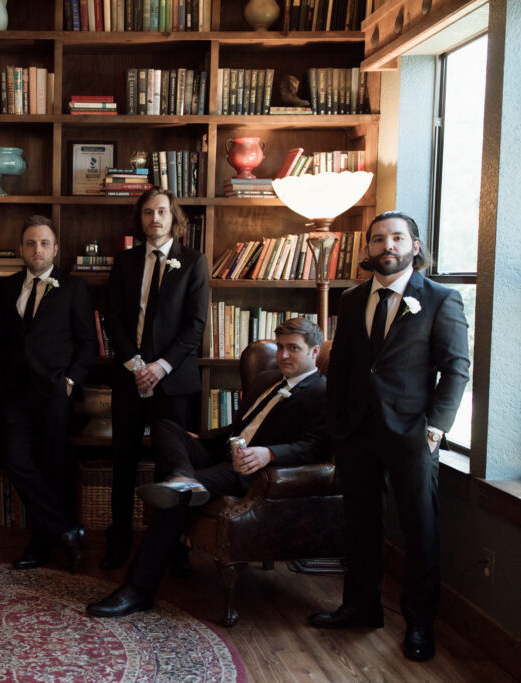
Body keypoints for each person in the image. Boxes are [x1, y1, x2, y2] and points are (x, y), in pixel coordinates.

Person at [309, 211, 470, 663]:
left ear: (415, 246)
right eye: (378, 239)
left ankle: (419, 623)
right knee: (360, 524)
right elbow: (340, 365)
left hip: (413, 434)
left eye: (397, 237)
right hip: (357, 431)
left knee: (420, 529)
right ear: (368, 249)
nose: (387, 246)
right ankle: (361, 607)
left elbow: (457, 368)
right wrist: (337, 425)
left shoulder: (440, 299)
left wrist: (435, 429)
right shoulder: (352, 298)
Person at [87, 317, 328, 616]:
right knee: (166, 427)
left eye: (293, 348)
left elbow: (315, 446)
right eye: (280, 347)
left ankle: (137, 589)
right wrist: (201, 439)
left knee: (175, 498)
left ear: (315, 352)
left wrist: (269, 454)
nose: (283, 355)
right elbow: (241, 426)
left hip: (251, 470)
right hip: (223, 451)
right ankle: (182, 478)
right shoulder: (268, 379)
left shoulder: (323, 391)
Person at [100, 187, 209, 570]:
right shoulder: (125, 261)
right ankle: (119, 541)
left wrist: (160, 367)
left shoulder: (194, 262)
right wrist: (135, 364)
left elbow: (195, 326)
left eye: (161, 211)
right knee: (123, 461)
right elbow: (112, 317)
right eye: (148, 212)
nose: (155, 219)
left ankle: (172, 546)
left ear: (173, 217)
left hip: (174, 382)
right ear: (141, 218)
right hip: (130, 378)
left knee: (172, 466)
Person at [0, 216, 98, 573]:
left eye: (44, 243)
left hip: (54, 391)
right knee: (16, 461)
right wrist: (1, 385)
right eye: (31, 243)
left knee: (55, 467)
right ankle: (67, 530)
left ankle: (42, 545)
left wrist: (70, 382)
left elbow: (88, 345)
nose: (38, 250)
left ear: (55, 249)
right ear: (21, 249)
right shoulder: (5, 289)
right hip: (14, 394)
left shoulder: (73, 288)